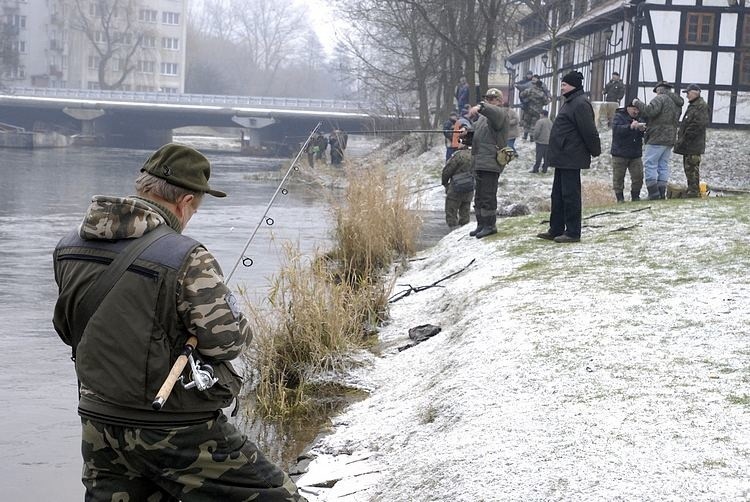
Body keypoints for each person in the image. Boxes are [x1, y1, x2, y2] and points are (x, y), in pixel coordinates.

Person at [52, 143, 306, 502]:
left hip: (98, 421)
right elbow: (228, 341)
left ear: (144, 186)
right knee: (279, 496)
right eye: (195, 208)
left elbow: (67, 329)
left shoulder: (68, 247)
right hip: (174, 428)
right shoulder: (186, 256)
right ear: (185, 202)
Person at [537, 71, 601, 243]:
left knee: (570, 195)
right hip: (563, 157)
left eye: (564, 84)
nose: (562, 87)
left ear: (573, 85)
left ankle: (573, 232)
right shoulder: (570, 102)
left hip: (572, 157)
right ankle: (556, 228)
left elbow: (589, 131)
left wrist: (595, 150)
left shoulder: (580, 104)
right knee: (557, 195)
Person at [466, 87, 510, 239]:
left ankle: (490, 225)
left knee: (488, 196)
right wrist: (467, 134)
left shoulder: (500, 114)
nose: (490, 101)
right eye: (488, 99)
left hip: (491, 161)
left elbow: (493, 112)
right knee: (479, 196)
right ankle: (481, 224)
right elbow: (478, 136)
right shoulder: (483, 119)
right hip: (480, 161)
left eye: (493, 99)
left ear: (500, 101)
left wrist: (480, 107)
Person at [632, 81, 684, 200]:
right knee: (663, 165)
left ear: (659, 90)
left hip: (657, 137)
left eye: (656, 92)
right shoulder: (677, 103)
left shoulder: (660, 99)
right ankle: (661, 193)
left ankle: (653, 194)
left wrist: (637, 103)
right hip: (670, 137)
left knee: (650, 164)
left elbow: (650, 111)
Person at [673, 83, 709, 198]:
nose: (687, 95)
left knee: (692, 169)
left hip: (693, 145)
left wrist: (685, 138)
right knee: (689, 169)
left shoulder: (701, 106)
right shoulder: (693, 105)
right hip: (689, 146)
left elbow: (697, 125)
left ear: (696, 92)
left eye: (688, 93)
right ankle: (692, 190)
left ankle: (693, 192)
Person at [610, 103, 646, 202]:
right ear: (628, 108)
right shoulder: (619, 116)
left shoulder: (640, 118)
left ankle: (635, 196)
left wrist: (642, 130)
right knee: (618, 178)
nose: (636, 112)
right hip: (620, 153)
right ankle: (620, 198)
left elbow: (643, 133)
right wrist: (629, 127)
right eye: (634, 109)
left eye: (637, 110)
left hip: (635, 153)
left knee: (638, 176)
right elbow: (617, 130)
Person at [441, 124, 474, 228]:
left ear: (463, 142)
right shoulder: (477, 155)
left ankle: (452, 231)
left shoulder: (459, 155)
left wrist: (445, 183)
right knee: (465, 211)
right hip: (469, 189)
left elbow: (447, 171)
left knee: (451, 211)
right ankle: (464, 230)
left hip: (455, 189)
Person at [530, 109, 552, 173]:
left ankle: (536, 169)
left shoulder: (540, 121)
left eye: (540, 114)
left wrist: (535, 138)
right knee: (546, 157)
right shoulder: (550, 122)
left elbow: (537, 131)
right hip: (548, 142)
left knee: (538, 157)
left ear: (542, 114)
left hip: (540, 141)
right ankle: (545, 169)